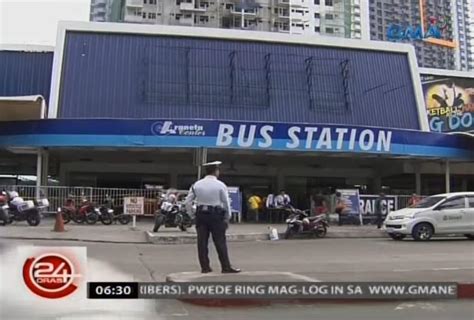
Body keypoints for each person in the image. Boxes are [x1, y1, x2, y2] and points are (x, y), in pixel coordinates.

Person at [184, 161, 240, 274]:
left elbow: (187, 202)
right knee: (220, 242)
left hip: (201, 215)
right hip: (216, 215)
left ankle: (205, 267)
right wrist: (227, 217)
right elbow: (226, 203)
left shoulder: (197, 184)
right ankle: (225, 267)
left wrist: (192, 215)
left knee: (202, 242)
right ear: (216, 171)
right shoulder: (220, 185)